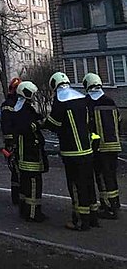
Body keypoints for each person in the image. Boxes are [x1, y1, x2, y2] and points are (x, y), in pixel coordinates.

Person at [44, 72, 98, 231]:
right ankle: (93, 217)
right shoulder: (81, 97)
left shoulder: (60, 100)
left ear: (54, 85)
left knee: (76, 186)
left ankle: (80, 221)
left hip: (72, 152)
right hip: (87, 149)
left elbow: (53, 124)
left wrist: (43, 123)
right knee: (88, 184)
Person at [83, 72, 121, 219]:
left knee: (102, 177)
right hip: (113, 145)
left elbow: (87, 125)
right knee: (111, 175)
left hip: (99, 147)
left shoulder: (89, 103)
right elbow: (118, 120)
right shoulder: (110, 101)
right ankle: (115, 203)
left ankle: (108, 207)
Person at [13, 81, 48, 222]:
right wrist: (41, 123)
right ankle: (33, 213)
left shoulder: (20, 108)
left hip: (24, 152)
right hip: (30, 153)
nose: (34, 96)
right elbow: (29, 127)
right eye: (32, 94)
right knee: (33, 183)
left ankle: (25, 210)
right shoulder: (24, 111)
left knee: (25, 184)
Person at [1, 76, 22, 205]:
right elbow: (7, 127)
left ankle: (18, 196)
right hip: (14, 144)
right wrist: (10, 144)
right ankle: (17, 197)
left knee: (17, 171)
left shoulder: (16, 103)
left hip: (18, 142)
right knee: (16, 171)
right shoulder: (9, 105)